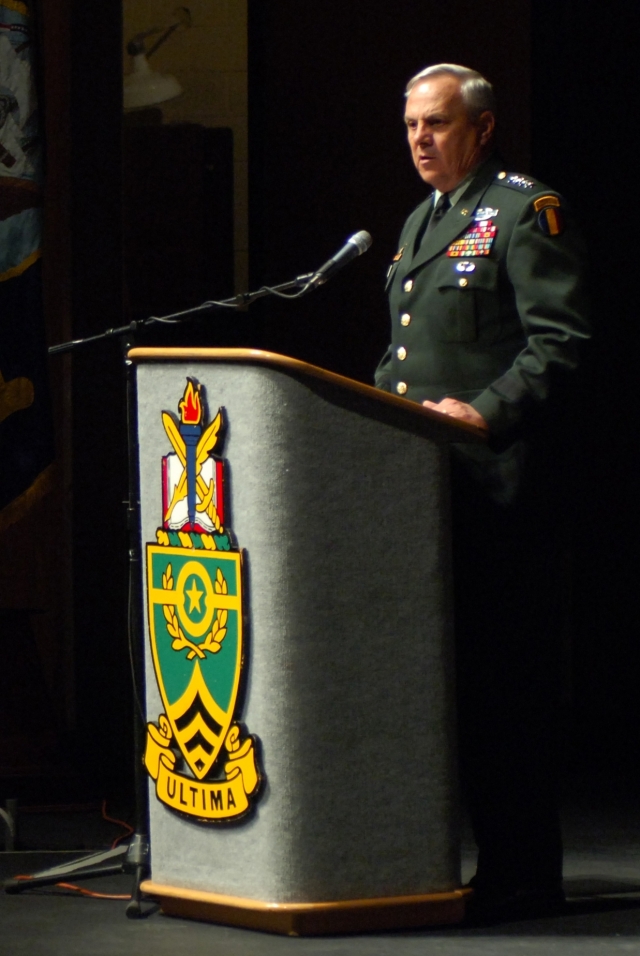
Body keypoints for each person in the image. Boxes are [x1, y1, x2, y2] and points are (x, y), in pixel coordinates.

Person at [375, 64, 590, 920]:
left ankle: (524, 873)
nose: (421, 139)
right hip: (423, 492)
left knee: (506, 691)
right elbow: (400, 362)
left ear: (483, 127)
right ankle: (458, 861)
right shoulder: (420, 221)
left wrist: (485, 411)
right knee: (450, 689)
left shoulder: (524, 214)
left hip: (496, 489)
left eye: (436, 123)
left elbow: (561, 344)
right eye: (411, 127)